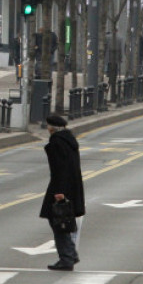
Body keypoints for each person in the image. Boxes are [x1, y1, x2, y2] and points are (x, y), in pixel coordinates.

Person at [40, 113, 85, 271]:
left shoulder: (57, 143)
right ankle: (70, 254)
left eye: (48, 125)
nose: (47, 128)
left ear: (52, 127)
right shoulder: (69, 140)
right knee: (62, 221)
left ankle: (67, 258)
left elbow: (60, 169)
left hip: (61, 187)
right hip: (72, 186)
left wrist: (59, 192)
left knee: (59, 222)